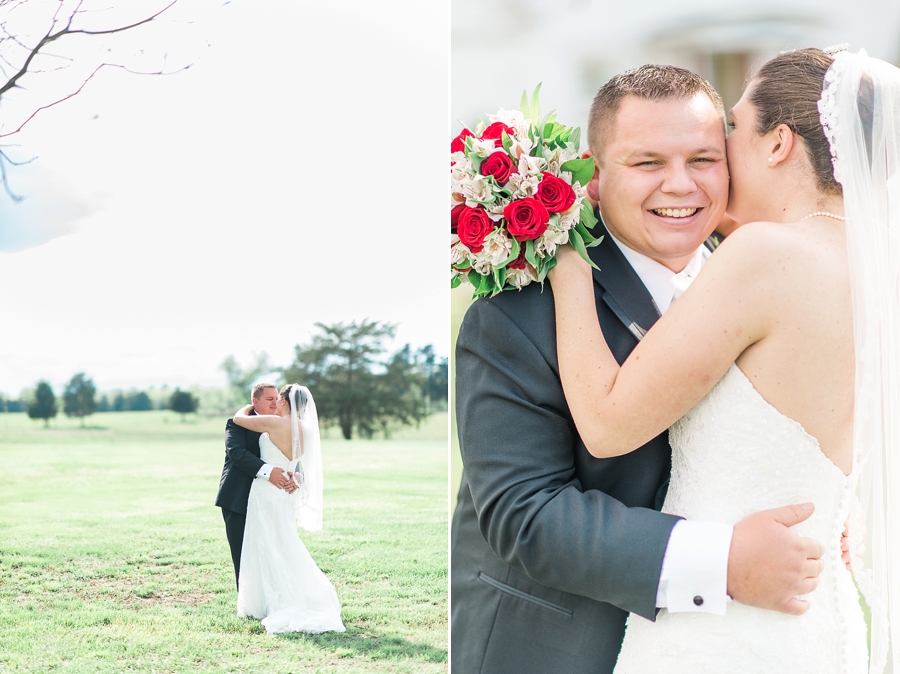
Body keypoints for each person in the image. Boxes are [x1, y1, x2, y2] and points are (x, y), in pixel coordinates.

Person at [451, 65, 828, 674]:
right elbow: (524, 512)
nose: (680, 185)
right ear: (593, 180)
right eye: (647, 162)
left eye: (704, 158)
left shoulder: (756, 283)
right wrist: (722, 561)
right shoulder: (518, 313)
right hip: (558, 649)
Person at [548, 47, 900, 673]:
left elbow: (605, 426)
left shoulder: (765, 255)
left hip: (721, 629)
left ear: (778, 143)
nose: (719, 144)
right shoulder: (879, 275)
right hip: (818, 621)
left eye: (734, 127)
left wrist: (568, 260)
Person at [232, 383, 345, 634]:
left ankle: (268, 599)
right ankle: (290, 592)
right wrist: (297, 478)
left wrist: (250, 405)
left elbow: (238, 419)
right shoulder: (306, 429)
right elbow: (298, 464)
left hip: (267, 491)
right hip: (288, 491)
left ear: (283, 402)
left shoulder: (273, 423)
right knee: (284, 541)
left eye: (277, 399)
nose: (274, 404)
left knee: (265, 543)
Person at [215, 383, 297, 590]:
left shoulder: (283, 424)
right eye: (268, 399)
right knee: (243, 553)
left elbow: (294, 457)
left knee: (272, 550)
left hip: (271, 500)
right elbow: (236, 452)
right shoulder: (237, 424)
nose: (274, 402)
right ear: (255, 402)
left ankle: (273, 595)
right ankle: (248, 601)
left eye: (276, 398)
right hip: (238, 497)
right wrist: (269, 472)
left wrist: (296, 477)